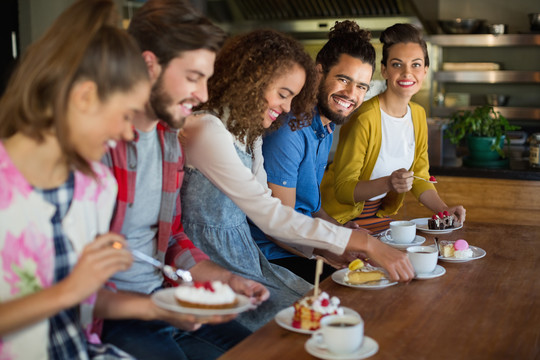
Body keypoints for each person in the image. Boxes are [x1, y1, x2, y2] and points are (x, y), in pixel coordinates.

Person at [180, 29, 414, 331]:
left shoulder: (251, 137)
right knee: (307, 322)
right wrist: (362, 242)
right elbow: (273, 217)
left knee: (322, 313)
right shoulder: (208, 130)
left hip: (246, 261)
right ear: (253, 81)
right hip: (214, 265)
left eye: (291, 97)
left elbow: (275, 207)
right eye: (283, 95)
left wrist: (333, 245)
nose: (288, 108)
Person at [100, 1, 269, 359]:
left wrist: (224, 280)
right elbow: (72, 285)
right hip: (113, 318)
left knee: (259, 351)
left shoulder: (168, 141)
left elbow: (172, 236)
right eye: (194, 77)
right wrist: (156, 310)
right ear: (149, 66)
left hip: (168, 299)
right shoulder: (101, 146)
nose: (204, 95)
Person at [0, 0, 148, 358]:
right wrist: (69, 290)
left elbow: (82, 304)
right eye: (127, 115)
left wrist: (160, 309)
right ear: (85, 96)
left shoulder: (97, 185)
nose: (131, 133)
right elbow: (71, 294)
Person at [249, 21, 379, 283]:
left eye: (362, 86)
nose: (351, 94)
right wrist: (331, 249)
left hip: (303, 248)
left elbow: (313, 211)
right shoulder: (289, 131)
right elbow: (280, 227)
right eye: (343, 79)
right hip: (276, 258)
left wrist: (343, 232)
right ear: (319, 73)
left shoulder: (325, 128)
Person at [320, 23, 466, 232]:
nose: (407, 73)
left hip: (379, 218)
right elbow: (343, 190)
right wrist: (389, 183)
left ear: (425, 71)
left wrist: (444, 210)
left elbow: (420, 177)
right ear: (384, 70)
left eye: (416, 65)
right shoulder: (364, 118)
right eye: (397, 64)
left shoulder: (418, 115)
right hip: (340, 221)